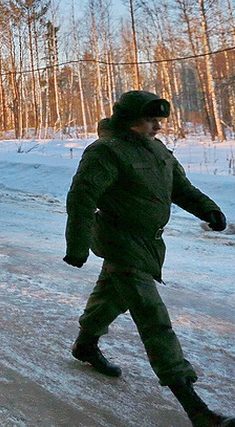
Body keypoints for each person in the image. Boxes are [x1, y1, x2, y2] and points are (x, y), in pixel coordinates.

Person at [64, 90, 234, 427]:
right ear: (129, 121)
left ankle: (85, 345)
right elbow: (82, 199)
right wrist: (77, 246)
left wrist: (208, 209)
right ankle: (195, 407)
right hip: (120, 243)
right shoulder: (106, 152)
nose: (158, 126)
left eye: (160, 120)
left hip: (148, 245)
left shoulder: (157, 150)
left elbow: (180, 188)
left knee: (111, 299)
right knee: (153, 317)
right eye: (150, 120)